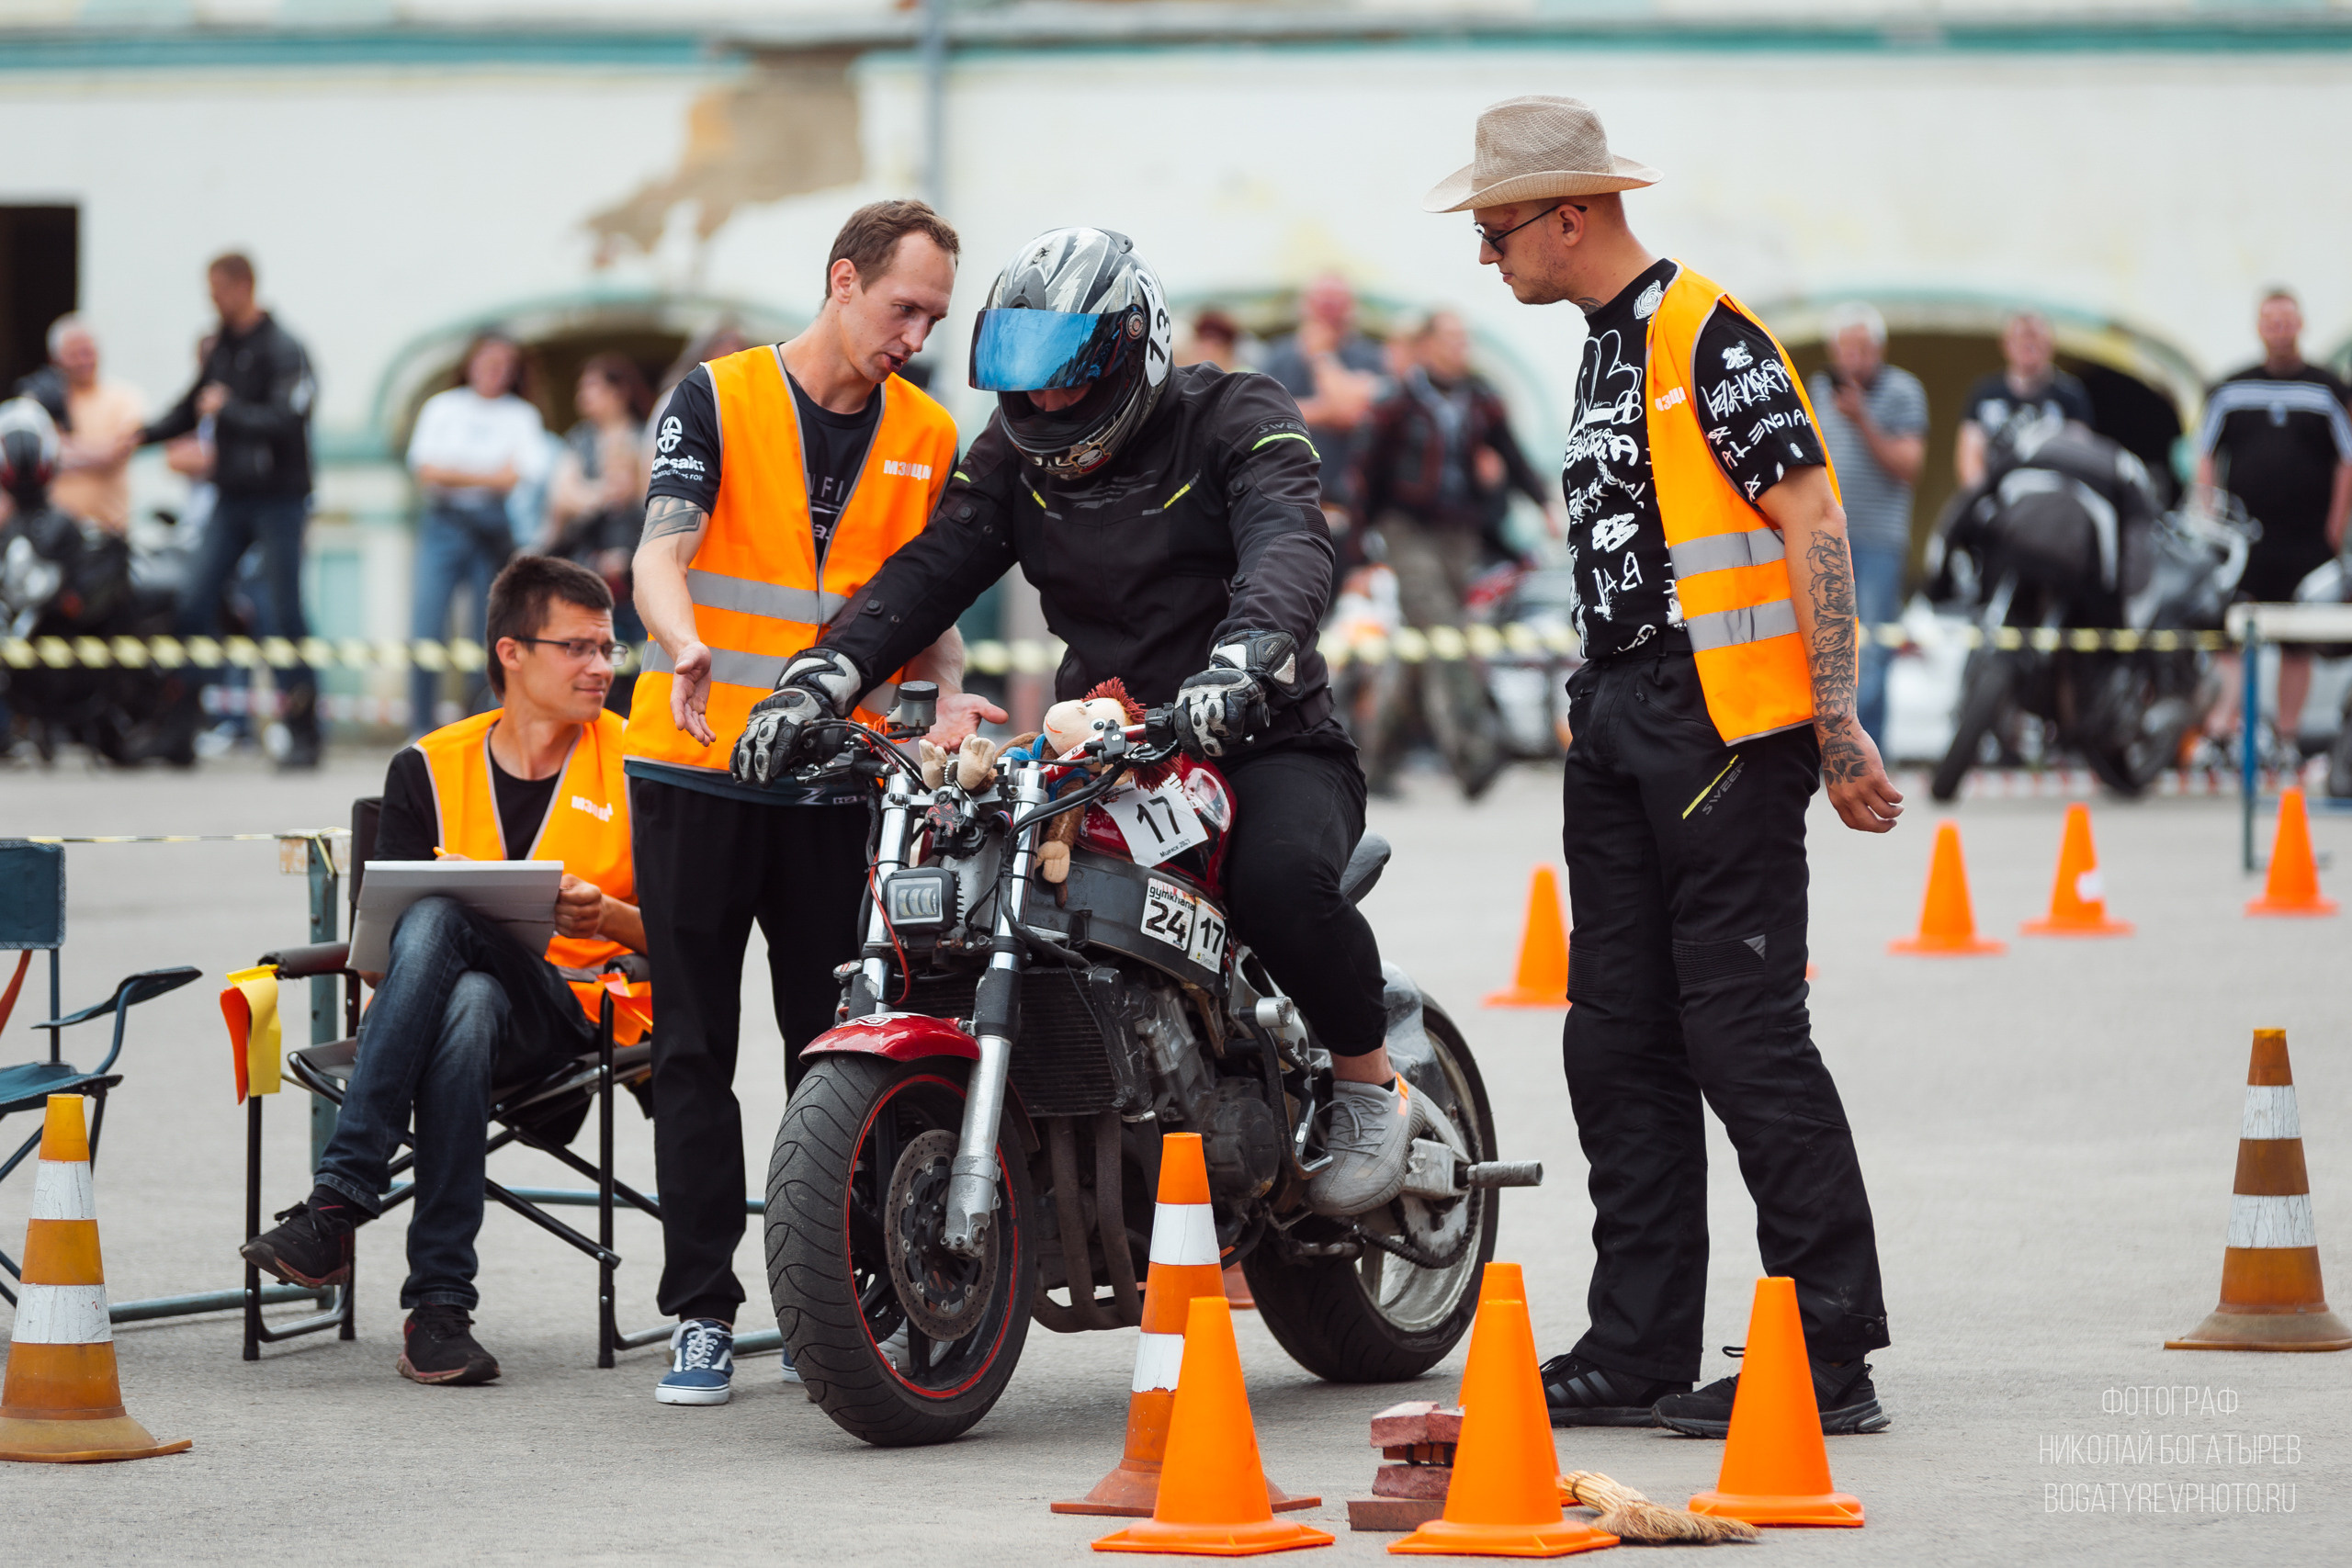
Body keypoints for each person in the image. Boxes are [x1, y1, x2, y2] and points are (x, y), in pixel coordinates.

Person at [734, 223, 1434, 1257]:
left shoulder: (1238, 413)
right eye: (1030, 378)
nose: (1049, 402)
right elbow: (934, 567)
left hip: (1256, 734)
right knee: (979, 890)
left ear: (1132, 349)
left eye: (1070, 378)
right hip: (1101, 744)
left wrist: (1242, 667)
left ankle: (1372, 1086)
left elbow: (1288, 545)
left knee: (1284, 884)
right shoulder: (1015, 450)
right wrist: (817, 682)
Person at [1425, 95, 1900, 1437]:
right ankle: (1637, 1340)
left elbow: (1813, 514)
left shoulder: (1708, 333)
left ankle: (1826, 1347)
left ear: (1571, 215)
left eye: (1498, 227)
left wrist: (1836, 716)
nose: (1486, 255)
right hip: (1624, 718)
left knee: (1743, 1035)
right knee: (1614, 1039)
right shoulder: (1600, 350)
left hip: (1726, 730)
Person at [625, 198, 997, 1406]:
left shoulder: (930, 431)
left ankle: (828, 1301)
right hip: (695, 766)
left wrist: (948, 695)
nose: (917, 333)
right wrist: (681, 646)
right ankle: (698, 1311)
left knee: (830, 1050)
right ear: (843, 280)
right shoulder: (717, 397)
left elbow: (927, 600)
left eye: (936, 316)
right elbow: (657, 553)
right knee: (690, 1048)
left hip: (839, 782)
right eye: (904, 307)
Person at [239, 555, 650, 1387]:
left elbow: (694, 938)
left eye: (609, 648)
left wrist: (602, 915)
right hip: (446, 1025)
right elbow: (384, 951)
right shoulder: (426, 765)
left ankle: (337, 1203)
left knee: (439, 913)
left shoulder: (641, 762)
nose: (602, 667)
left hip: (574, 1019)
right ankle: (439, 1314)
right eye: (577, 647)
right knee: (461, 998)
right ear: (512, 652)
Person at [1353, 309, 1551, 796]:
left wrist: (1543, 501)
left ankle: (1373, 761)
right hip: (1406, 528)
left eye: (1464, 338)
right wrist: (1356, 552)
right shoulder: (1396, 402)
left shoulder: (1482, 401)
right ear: (1424, 345)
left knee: (1423, 646)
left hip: (1459, 532)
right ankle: (1474, 755)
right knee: (1447, 631)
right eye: (1450, 337)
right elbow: (1365, 478)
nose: (1460, 346)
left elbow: (1512, 454)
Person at [141, 253, 322, 768]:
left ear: (243, 286)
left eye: (218, 289)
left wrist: (230, 411)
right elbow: (191, 404)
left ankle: (304, 732)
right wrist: (140, 437)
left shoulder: (284, 348)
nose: (212, 299)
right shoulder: (222, 345)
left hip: (280, 499)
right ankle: (182, 727)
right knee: (194, 601)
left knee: (284, 614)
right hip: (231, 496)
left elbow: (291, 418)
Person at [2197, 289, 2352, 761]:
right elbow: (2205, 454)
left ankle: (2286, 737)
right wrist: (2210, 518)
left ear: (2299, 325)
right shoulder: (2231, 388)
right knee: (2230, 634)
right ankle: (2225, 730)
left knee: (2297, 642)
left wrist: (2335, 527)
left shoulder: (2328, 389)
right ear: (2259, 326)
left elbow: (2346, 460)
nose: (2280, 329)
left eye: (2287, 320)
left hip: (2306, 541)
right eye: (2271, 320)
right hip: (2244, 542)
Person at [405, 333, 551, 735]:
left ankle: (475, 725)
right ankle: (419, 723)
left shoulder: (521, 415)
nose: (495, 371)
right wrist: (487, 475)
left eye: (504, 363)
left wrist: (457, 473)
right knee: (426, 621)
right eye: (488, 361)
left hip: (490, 527)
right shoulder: (444, 407)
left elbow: (518, 476)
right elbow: (425, 469)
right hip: (444, 522)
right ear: (470, 363)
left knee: (484, 629)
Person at [1809, 303, 1928, 751]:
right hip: (1825, 537)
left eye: (1861, 348)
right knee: (1825, 645)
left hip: (1879, 541)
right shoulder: (1820, 389)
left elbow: (1909, 465)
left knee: (1873, 649)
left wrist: (1862, 419)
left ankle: (1870, 751)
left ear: (1879, 348)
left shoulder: (1903, 391)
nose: (1853, 360)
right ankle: (1826, 749)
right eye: (1844, 349)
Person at [544, 354, 652, 713]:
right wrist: (605, 492)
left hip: (634, 567)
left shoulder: (644, 436)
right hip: (589, 562)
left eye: (591, 386)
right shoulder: (580, 441)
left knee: (637, 653)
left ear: (618, 390)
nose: (582, 395)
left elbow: (650, 498)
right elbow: (562, 497)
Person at [1260, 272, 1389, 517]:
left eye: (1336, 304)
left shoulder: (1371, 356)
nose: (1329, 313)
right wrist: (1333, 406)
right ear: (1305, 306)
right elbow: (1262, 419)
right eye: (1323, 303)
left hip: (1350, 498)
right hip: (1285, 489)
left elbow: (1354, 414)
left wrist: (1321, 356)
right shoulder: (1277, 356)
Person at [1955, 311, 2094, 490]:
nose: (2029, 344)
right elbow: (1969, 456)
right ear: (2006, 345)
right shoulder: (1985, 393)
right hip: (1994, 492)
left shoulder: (2070, 394)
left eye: (2036, 338)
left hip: (2052, 493)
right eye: (2021, 338)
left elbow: (2080, 454)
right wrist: (1982, 496)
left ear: (2051, 345)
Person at [40, 316, 148, 534]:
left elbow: (116, 453)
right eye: (73, 355)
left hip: (107, 532)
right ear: (56, 360)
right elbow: (34, 457)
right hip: (54, 533)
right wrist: (97, 451)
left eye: (87, 352)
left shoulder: (124, 398)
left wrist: (63, 446)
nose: (83, 360)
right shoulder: (45, 403)